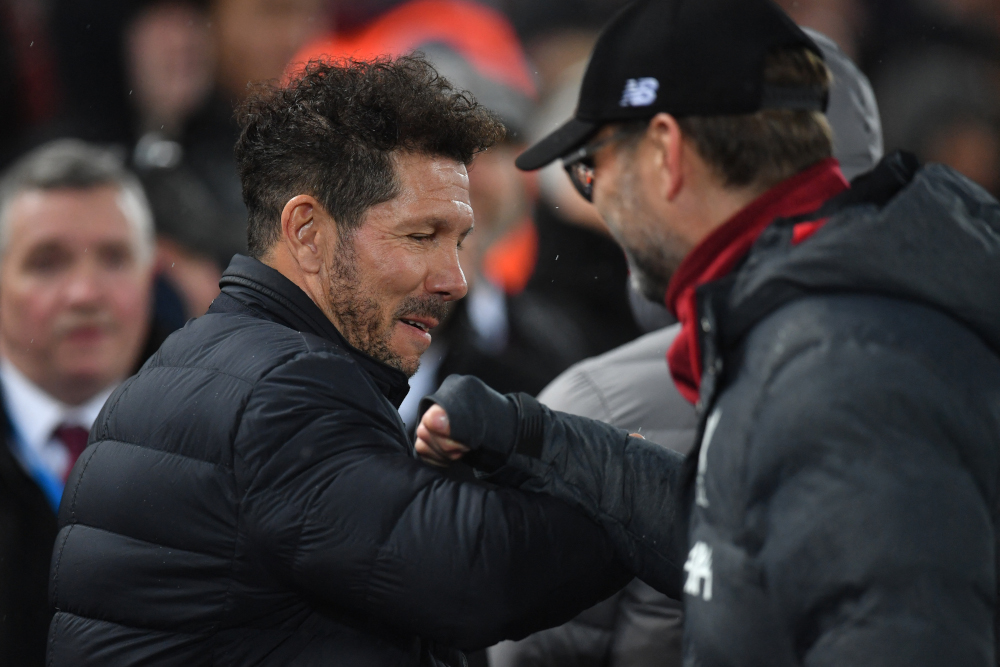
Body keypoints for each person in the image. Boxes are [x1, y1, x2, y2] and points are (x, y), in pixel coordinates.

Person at [416, 0, 1000, 664]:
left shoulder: (838, 360)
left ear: (665, 151)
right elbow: (742, 540)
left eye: (591, 167)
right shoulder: (817, 312)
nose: (595, 199)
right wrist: (534, 436)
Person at [46, 56, 629, 666]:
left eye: (458, 241)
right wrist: (641, 493)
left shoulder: (190, 366)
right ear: (307, 231)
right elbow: (470, 577)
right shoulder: (286, 388)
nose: (455, 280)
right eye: (421, 236)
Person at [488, 27, 886, 667]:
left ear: (669, 156)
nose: (604, 210)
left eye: (593, 170)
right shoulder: (944, 336)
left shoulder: (595, 405)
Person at [0, 139, 155, 666]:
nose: (85, 293)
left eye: (114, 258)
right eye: (48, 262)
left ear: (150, 277)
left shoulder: (224, 447)